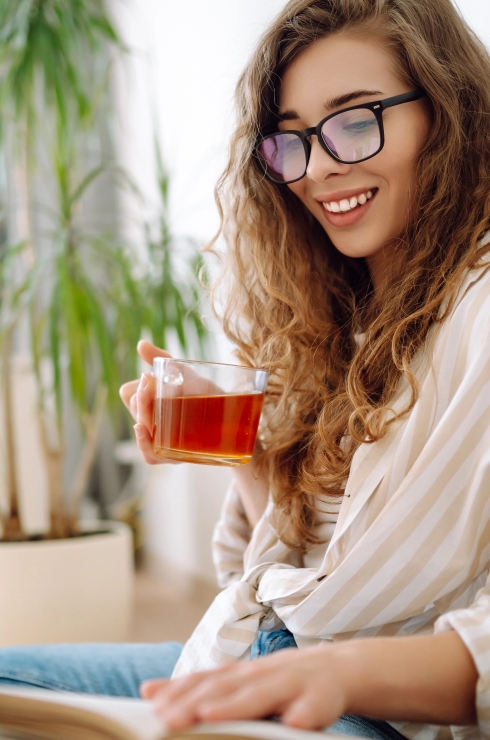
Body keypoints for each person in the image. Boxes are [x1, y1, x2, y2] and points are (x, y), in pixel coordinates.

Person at [1, 0, 490, 738]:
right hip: (252, 653)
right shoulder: (332, 316)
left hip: (377, 712)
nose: (320, 168)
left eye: (357, 119)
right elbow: (284, 581)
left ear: (447, 114)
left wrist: (335, 673)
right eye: (290, 141)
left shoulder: (478, 311)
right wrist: (245, 455)